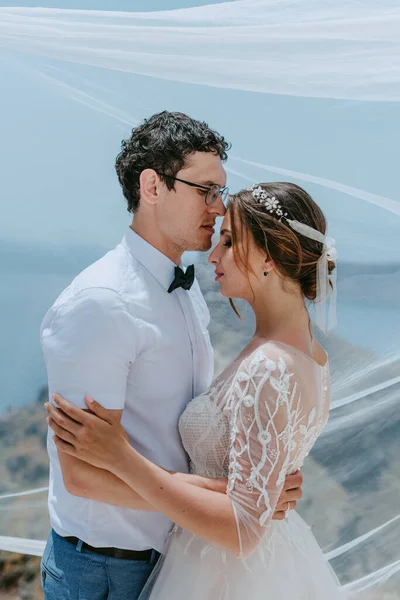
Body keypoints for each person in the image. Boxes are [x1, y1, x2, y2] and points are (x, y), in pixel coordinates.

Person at [40, 112, 303, 600]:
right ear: (152, 186)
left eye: (221, 191)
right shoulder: (101, 302)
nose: (220, 207)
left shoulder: (185, 291)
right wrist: (238, 499)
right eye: (205, 190)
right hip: (104, 573)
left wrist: (254, 483)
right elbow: (84, 476)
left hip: (177, 557)